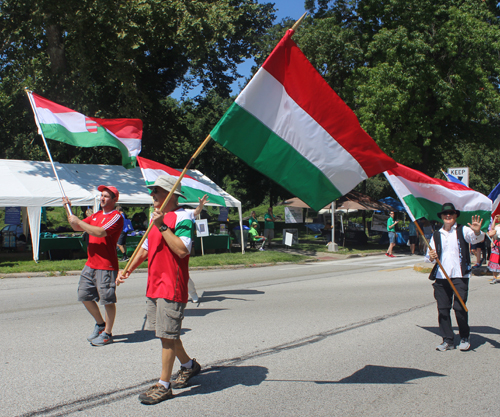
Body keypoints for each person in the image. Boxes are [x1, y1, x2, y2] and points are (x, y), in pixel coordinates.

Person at [117, 175, 200, 405]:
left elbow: (183, 250)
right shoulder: (155, 218)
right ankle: (189, 366)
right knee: (167, 332)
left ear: (172, 194)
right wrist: (127, 270)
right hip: (154, 284)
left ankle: (164, 385)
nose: (152, 195)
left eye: (157, 191)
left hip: (171, 285)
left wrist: (162, 225)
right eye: (153, 191)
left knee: (166, 334)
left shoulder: (183, 217)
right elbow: (144, 248)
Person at [63, 185, 123, 347]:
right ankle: (100, 324)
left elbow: (99, 232)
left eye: (106, 196)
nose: (102, 198)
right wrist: (69, 211)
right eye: (101, 195)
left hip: (106, 265)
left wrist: (79, 222)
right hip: (91, 264)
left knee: (107, 300)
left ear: (114, 199)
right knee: (84, 295)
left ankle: (108, 333)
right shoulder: (96, 215)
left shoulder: (116, 216)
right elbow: (77, 227)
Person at [426, 202, 485, 352]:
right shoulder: (436, 234)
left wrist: (477, 232)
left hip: (460, 276)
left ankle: (464, 336)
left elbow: (475, 239)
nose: (448, 216)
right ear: (441, 217)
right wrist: (431, 256)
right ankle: (448, 340)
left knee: (459, 308)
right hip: (441, 277)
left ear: (455, 216)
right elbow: (428, 256)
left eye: (451, 214)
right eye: (445, 214)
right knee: (443, 309)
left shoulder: (463, 230)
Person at [487, 215, 500, 284]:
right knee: (495, 261)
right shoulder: (497, 226)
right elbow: (492, 229)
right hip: (497, 244)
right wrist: (494, 219)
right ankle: (494, 277)